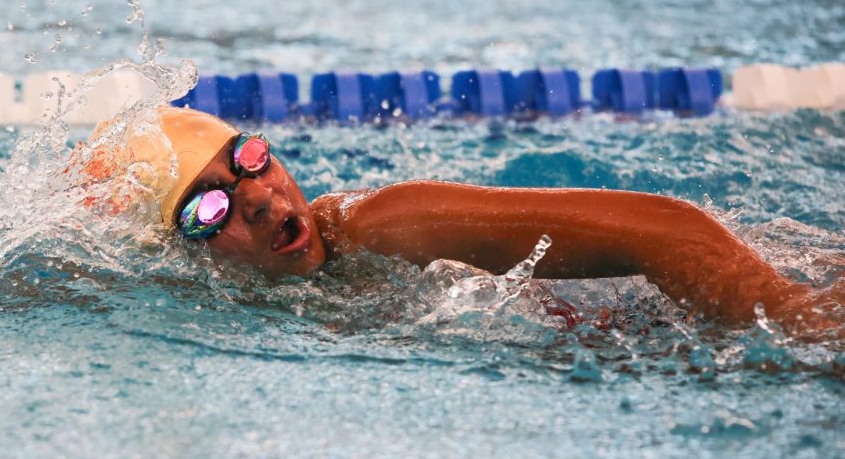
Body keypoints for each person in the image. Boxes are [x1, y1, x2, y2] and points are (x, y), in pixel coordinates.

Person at [73, 106, 843, 341]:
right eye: (209, 205)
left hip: (761, 286)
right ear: (182, 253)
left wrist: (793, 316)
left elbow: (674, 232)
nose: (265, 198)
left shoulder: (383, 224)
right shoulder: (207, 308)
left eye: (250, 158)